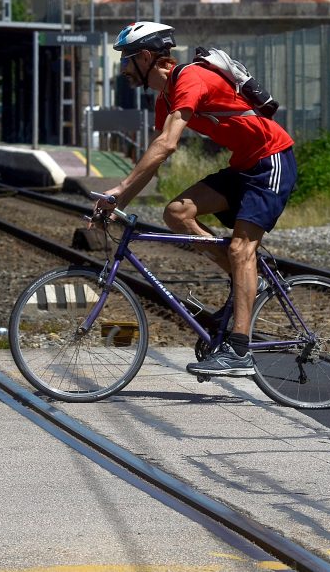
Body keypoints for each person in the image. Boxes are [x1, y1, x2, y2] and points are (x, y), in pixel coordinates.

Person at [94, 21, 297, 377]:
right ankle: (250, 280)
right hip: (244, 165)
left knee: (240, 250)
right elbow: (156, 157)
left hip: (272, 160)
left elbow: (167, 143)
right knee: (177, 212)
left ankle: (239, 351)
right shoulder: (166, 97)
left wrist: (120, 191)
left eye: (126, 59)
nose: (123, 68)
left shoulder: (189, 78)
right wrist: (120, 202)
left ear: (145, 57)